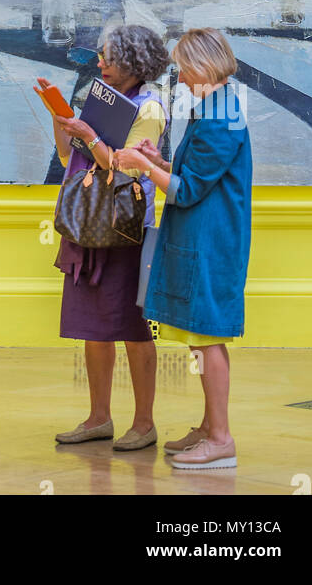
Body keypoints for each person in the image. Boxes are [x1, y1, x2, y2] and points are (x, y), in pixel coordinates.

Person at [116, 28, 251, 471]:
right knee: (198, 334)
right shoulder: (215, 106)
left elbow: (188, 190)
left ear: (203, 66)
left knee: (207, 335)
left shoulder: (220, 116)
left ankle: (221, 437)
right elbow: (193, 173)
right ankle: (210, 426)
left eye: (184, 67)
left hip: (211, 241)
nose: (180, 75)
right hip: (201, 237)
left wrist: (140, 166)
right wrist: (156, 160)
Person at [36, 24, 170, 450]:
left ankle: (144, 423)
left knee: (133, 328)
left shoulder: (150, 108)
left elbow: (126, 168)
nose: (101, 64)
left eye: (109, 58)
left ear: (133, 62)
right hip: (87, 222)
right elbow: (70, 157)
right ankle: (98, 418)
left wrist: (89, 135)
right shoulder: (104, 99)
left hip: (126, 229)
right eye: (101, 57)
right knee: (94, 327)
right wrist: (62, 122)